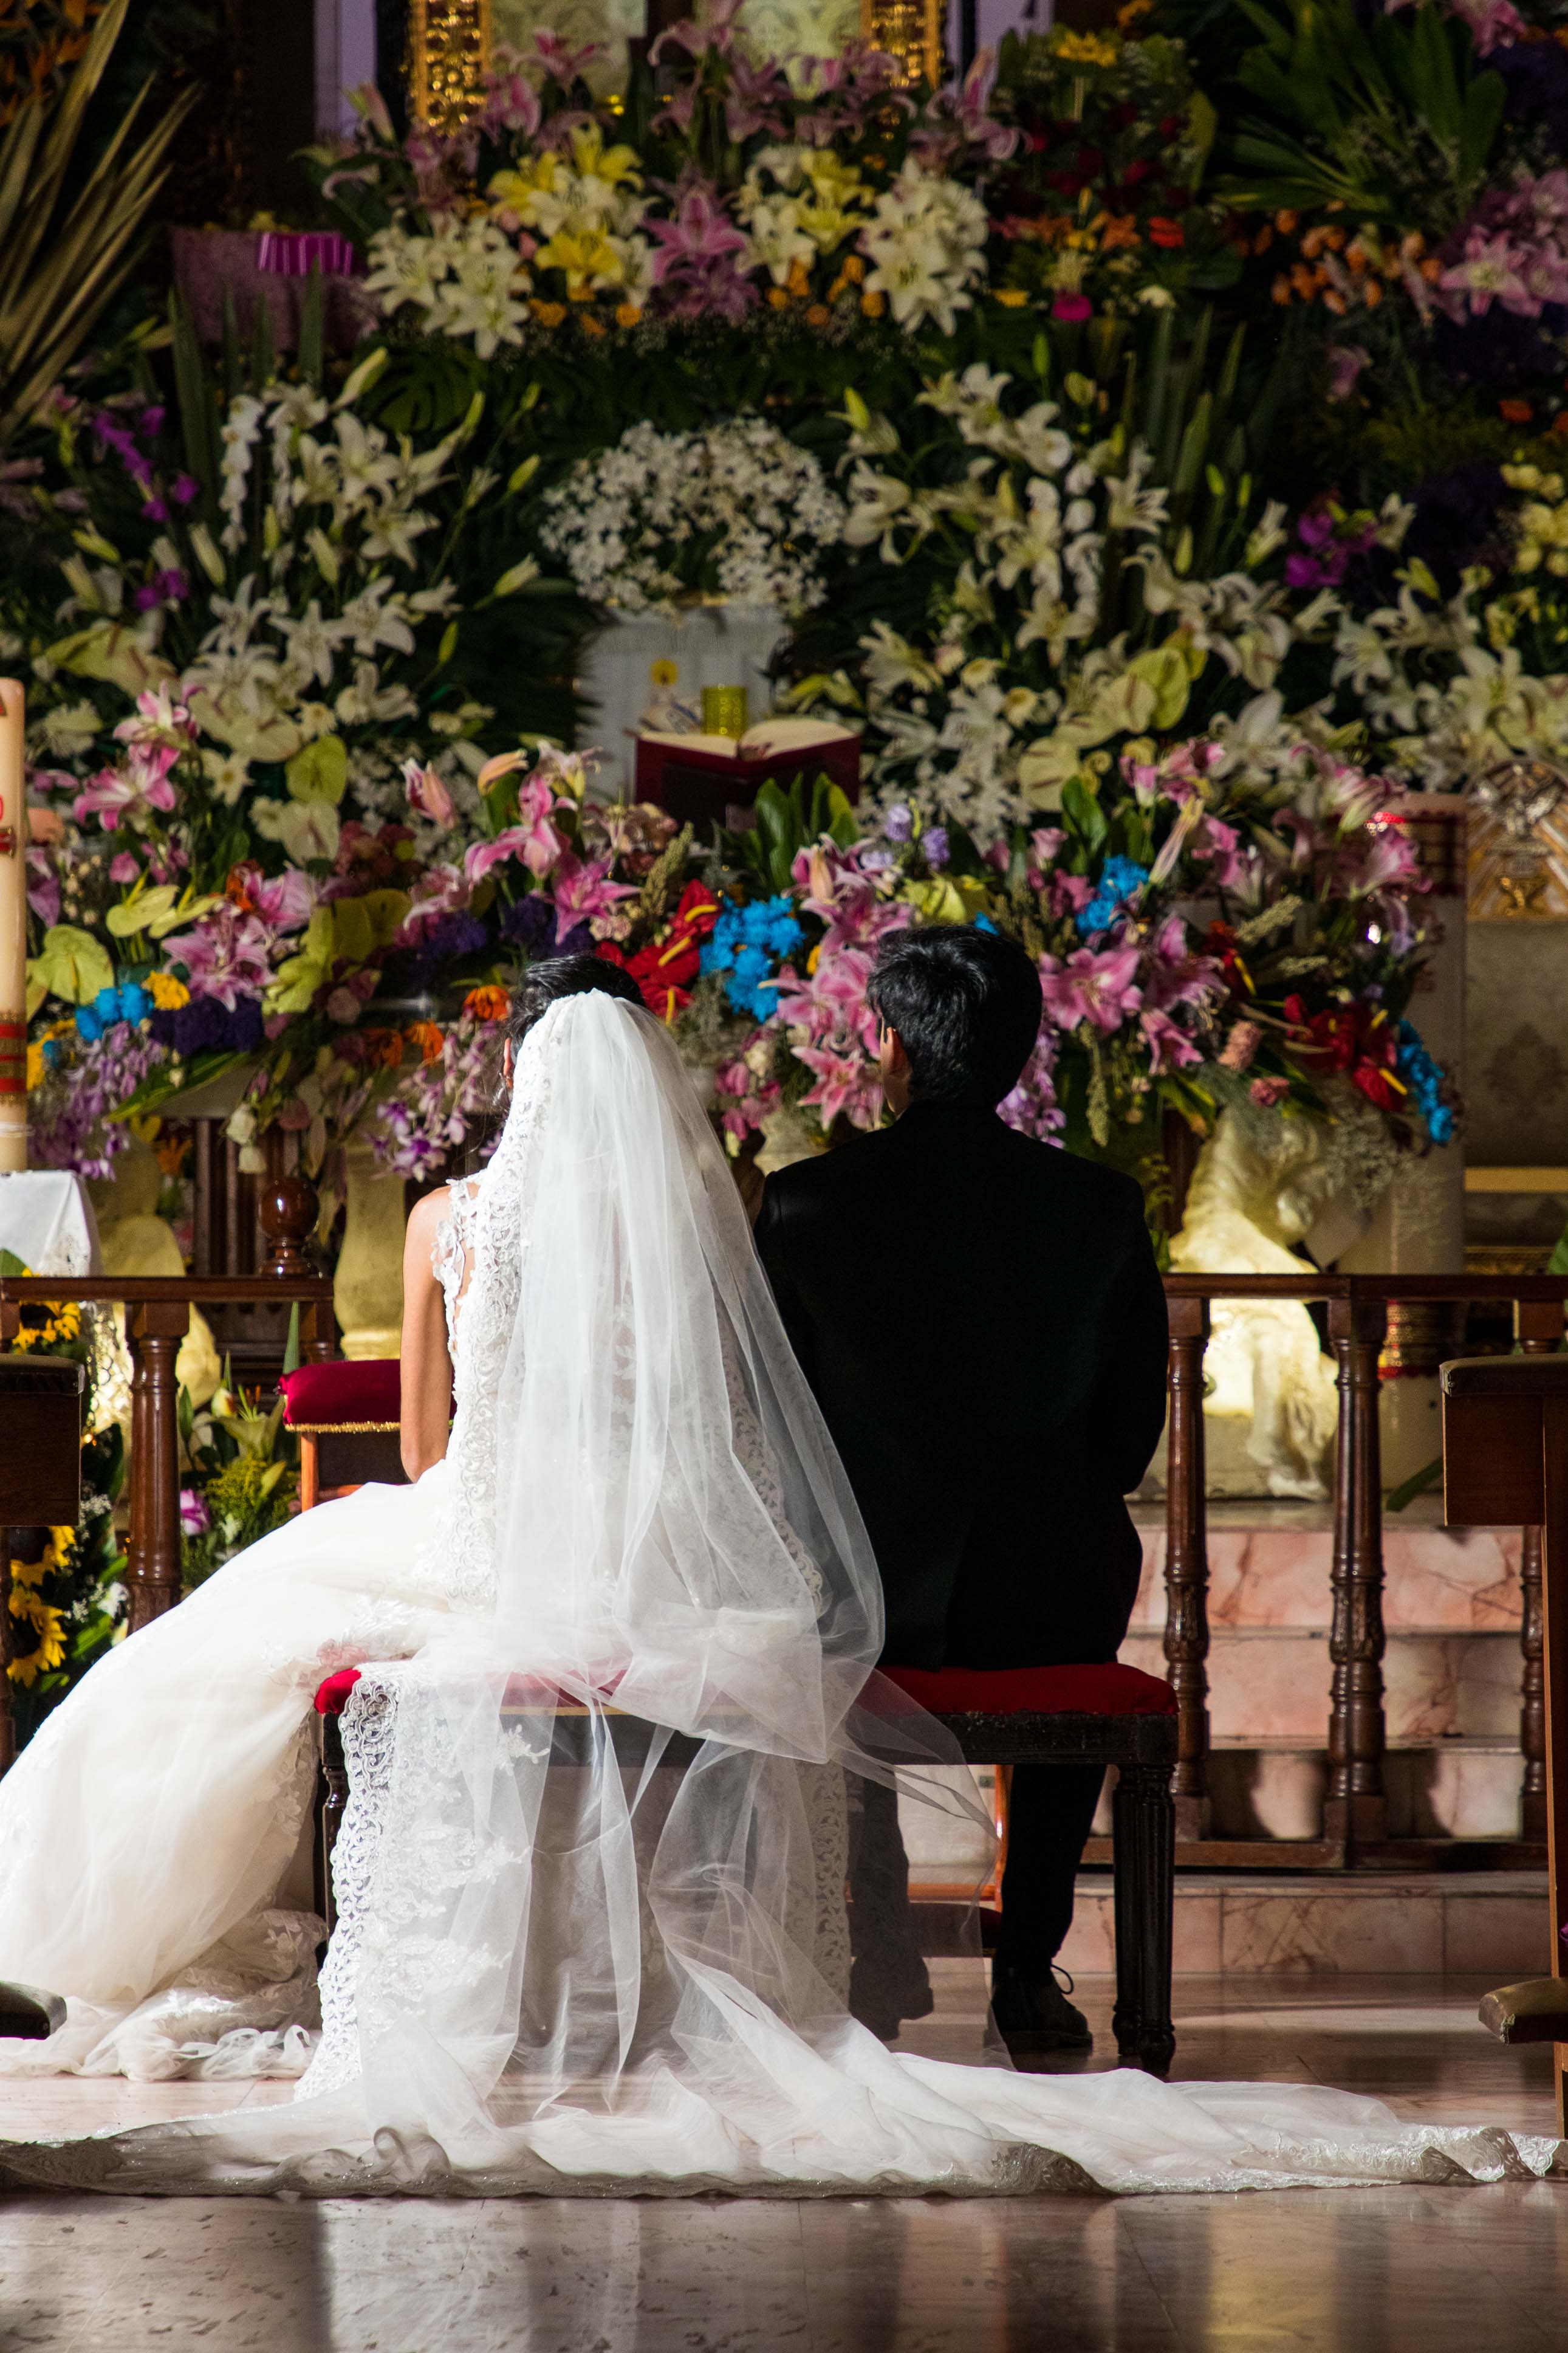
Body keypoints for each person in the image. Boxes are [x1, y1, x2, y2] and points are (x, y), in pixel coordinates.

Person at [0, 957, 1551, 2198]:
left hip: (646, 1543)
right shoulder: (848, 1213)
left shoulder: (702, 1205)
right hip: (992, 1566)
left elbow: (428, 1444)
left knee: (230, 1643)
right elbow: (919, 1421)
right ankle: (1022, 1969)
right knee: (903, 1611)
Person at [755, 926, 1169, 2057]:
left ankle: (871, 1949)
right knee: (1080, 1574)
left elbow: (777, 1429)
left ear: (888, 1043)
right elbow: (1129, 1429)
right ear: (1024, 1050)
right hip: (1052, 1589)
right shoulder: (1098, 1205)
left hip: (868, 1593)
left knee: (822, 1607)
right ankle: (1026, 1971)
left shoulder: (805, 1204)